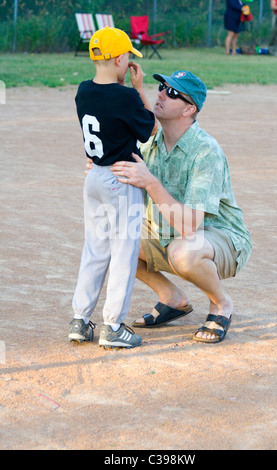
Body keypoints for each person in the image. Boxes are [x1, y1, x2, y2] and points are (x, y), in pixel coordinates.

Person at [107, 70, 252, 344]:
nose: (161, 93)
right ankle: (172, 298)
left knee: (183, 252)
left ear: (189, 109)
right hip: (169, 231)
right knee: (112, 238)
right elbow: (131, 143)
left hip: (219, 236)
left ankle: (221, 305)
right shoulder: (153, 144)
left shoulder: (205, 151)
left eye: (172, 92)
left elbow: (189, 226)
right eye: (161, 86)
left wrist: (150, 183)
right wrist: (99, 166)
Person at [69, 27, 156, 349]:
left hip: (93, 177)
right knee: (124, 252)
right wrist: (138, 88)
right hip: (121, 179)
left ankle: (80, 319)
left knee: (95, 248)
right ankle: (113, 326)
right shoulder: (126, 96)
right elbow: (148, 129)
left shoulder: (83, 90)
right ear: (121, 59)